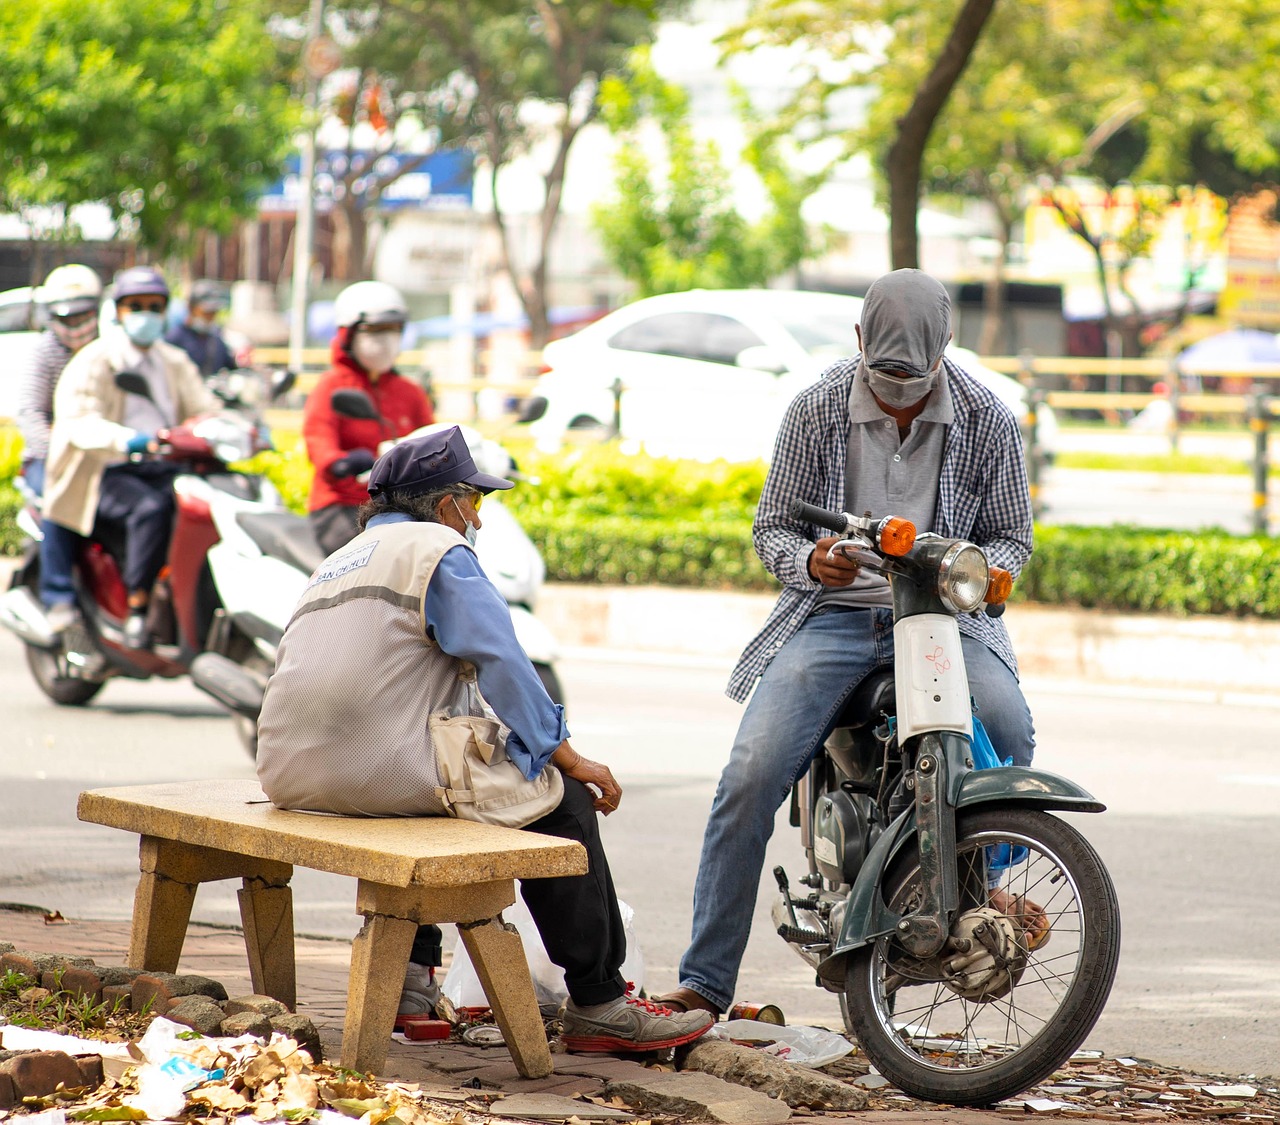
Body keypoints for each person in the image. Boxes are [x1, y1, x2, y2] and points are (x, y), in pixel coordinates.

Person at [255, 426, 715, 1054]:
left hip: (293, 774)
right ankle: (601, 1001)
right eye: (475, 502)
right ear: (446, 504)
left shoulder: (339, 558)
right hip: (381, 773)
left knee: (427, 794)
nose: (477, 518)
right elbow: (504, 664)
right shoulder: (439, 551)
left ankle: (413, 982)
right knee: (564, 804)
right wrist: (570, 759)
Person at [657, 269, 1038, 1018]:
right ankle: (705, 982)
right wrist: (809, 562)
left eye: (914, 377)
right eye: (883, 371)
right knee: (748, 777)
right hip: (834, 616)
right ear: (859, 342)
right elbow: (772, 526)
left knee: (1013, 728)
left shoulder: (989, 419)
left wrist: (993, 574)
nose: (898, 389)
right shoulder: (816, 407)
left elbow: (1012, 535)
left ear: (947, 350)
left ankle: (977, 891)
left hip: (942, 621)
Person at [43, 266, 218, 649]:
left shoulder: (173, 359)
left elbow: (205, 407)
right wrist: (128, 441)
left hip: (166, 465)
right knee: (150, 510)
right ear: (118, 311)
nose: (145, 314)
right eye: (135, 306)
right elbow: (79, 422)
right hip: (105, 470)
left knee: (209, 508)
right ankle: (138, 607)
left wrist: (234, 427)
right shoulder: (95, 361)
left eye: (155, 307)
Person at [302, 280, 435, 555]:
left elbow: (434, 440)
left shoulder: (410, 392)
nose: (386, 340)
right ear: (348, 334)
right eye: (375, 330)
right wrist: (342, 462)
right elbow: (319, 443)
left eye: (394, 329)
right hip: (345, 506)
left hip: (402, 508)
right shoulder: (331, 387)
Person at [15, 264, 103, 632]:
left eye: (84, 314)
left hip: (100, 453)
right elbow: (30, 413)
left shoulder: (107, 350)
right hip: (51, 459)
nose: (77, 324)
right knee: (59, 499)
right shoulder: (45, 353)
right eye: (69, 316)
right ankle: (58, 594)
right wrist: (60, 451)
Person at [164, 279, 235, 377]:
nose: (210, 317)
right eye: (206, 312)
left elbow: (230, 366)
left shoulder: (216, 338)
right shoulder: (175, 338)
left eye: (213, 312)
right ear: (191, 308)